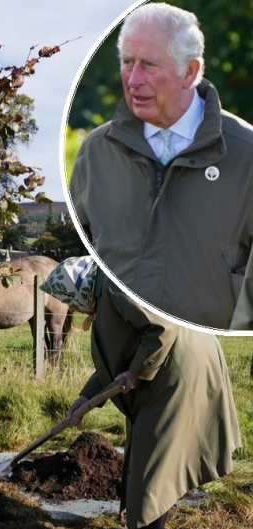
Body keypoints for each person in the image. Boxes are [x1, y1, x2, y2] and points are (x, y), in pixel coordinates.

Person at [40, 256, 241, 529]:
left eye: (71, 301)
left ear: (79, 289)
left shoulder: (118, 288)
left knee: (154, 451)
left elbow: (162, 327)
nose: (74, 309)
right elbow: (114, 361)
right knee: (142, 444)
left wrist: (136, 372)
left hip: (182, 368)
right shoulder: (106, 295)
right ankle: (139, 528)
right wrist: (85, 399)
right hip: (166, 368)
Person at [68, 2, 253, 330]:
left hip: (205, 359)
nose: (134, 79)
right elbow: (74, 250)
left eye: (149, 65)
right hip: (115, 359)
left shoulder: (246, 154)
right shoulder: (95, 152)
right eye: (127, 62)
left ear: (190, 72)